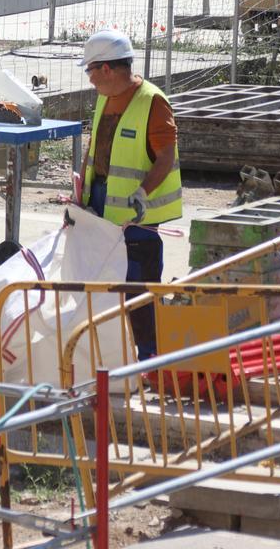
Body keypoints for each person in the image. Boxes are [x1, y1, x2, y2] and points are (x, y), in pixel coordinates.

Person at [78, 29, 183, 360]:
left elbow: (166, 155)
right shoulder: (105, 97)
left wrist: (143, 191)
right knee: (101, 286)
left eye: (90, 71)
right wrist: (82, 184)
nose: (90, 79)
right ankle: (110, 357)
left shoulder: (151, 102)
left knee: (138, 290)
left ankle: (151, 359)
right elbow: (96, 145)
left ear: (106, 69)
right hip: (101, 204)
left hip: (137, 217)